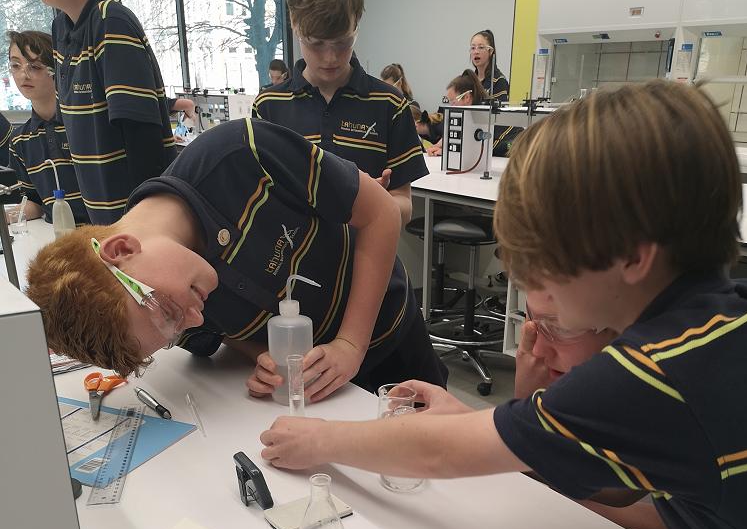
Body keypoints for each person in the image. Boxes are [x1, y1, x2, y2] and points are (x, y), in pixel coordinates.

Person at [259, 80, 747, 529]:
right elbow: (615, 480)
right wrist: (481, 423)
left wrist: (320, 440)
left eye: (542, 264)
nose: (531, 291)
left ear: (632, 257)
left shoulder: (654, 372)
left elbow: (439, 455)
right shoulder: (720, 326)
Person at [25, 117, 448, 399]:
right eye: (173, 332)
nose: (193, 319)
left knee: (441, 449)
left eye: (169, 312)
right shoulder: (166, 300)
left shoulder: (240, 155)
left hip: (387, 326)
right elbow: (219, 334)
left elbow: (382, 213)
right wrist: (259, 355)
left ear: (122, 250)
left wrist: (351, 344)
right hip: (317, 382)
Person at [10, 0, 176, 224]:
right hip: (105, 224)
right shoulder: (61, 29)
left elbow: (144, 146)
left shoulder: (111, 22)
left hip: (138, 224)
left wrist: (138, 230)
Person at [252, 0, 427, 228]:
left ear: (357, 23)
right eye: (316, 43)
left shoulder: (390, 104)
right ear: (294, 23)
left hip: (366, 252)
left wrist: (376, 203)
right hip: (293, 253)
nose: (330, 57)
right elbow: (257, 199)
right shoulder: (268, 105)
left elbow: (404, 205)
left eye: (343, 42)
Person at [5, 30, 88, 225]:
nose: (23, 75)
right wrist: (7, 217)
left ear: (56, 70)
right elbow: (35, 201)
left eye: (34, 66)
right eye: (16, 65)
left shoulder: (85, 123)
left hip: (107, 231)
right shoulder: (20, 140)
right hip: (59, 234)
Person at [426, 70, 486, 156]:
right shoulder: (463, 118)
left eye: (453, 102)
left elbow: (475, 149)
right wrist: (436, 147)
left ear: (467, 97)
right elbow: (449, 138)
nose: (451, 106)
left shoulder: (483, 120)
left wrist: (446, 152)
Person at [469, 29, 509, 102]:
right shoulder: (468, 81)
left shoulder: (499, 81)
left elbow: (499, 109)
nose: (476, 52)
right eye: (473, 48)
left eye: (481, 47)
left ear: (490, 51)